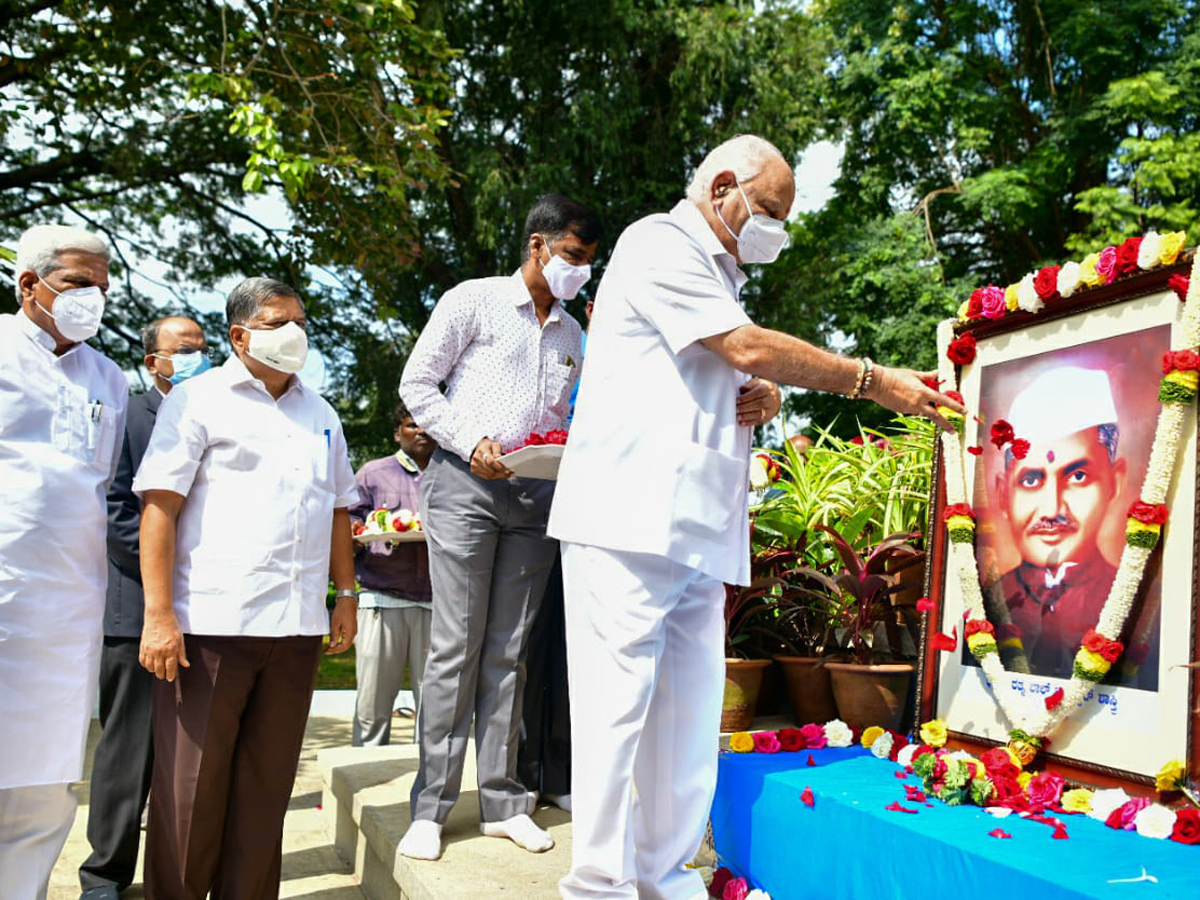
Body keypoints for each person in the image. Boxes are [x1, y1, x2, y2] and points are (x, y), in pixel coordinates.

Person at [547, 134, 963, 900]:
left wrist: (764, 397)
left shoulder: (719, 273)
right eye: (769, 210)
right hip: (628, 522)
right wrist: (869, 379)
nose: (776, 227)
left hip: (697, 526)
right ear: (723, 186)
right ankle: (598, 886)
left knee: (686, 720)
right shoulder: (657, 242)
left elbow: (722, 365)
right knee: (616, 718)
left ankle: (664, 875)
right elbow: (742, 344)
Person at [133, 277, 359, 899]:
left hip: (295, 632)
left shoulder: (320, 411)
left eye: (300, 321)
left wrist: (347, 593)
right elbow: (160, 509)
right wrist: (159, 616)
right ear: (239, 335)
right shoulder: (198, 400)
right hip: (210, 630)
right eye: (279, 322)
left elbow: (338, 507)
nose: (296, 333)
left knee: (265, 792)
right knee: (191, 794)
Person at [397, 193, 601, 861]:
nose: (580, 271)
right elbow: (418, 384)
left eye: (588, 262)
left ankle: (503, 800)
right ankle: (430, 806)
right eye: (573, 256)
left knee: (510, 650)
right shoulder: (473, 301)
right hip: (464, 485)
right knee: (456, 644)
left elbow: (567, 412)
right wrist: (471, 439)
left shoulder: (573, 333)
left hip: (535, 496)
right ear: (538, 245)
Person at [0, 224, 127, 900]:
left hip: (69, 613)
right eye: (79, 285)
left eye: (102, 289)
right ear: (30, 285)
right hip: (3, 598)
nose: (93, 300)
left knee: (44, 790)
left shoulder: (106, 376)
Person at [78, 315, 210, 900]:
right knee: (128, 750)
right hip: (137, 611)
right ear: (152, 360)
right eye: (183, 350)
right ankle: (105, 875)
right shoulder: (130, 415)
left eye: (202, 348)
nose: (195, 358)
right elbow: (115, 509)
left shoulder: (215, 410)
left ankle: (178, 872)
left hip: (208, 610)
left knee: (187, 755)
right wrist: (168, 572)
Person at [981, 365, 1149, 681]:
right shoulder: (987, 601)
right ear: (1004, 493)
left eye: (1078, 476)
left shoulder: (1143, 604)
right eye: (1031, 479)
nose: (1052, 508)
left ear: (1115, 482)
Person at [350, 401, 436, 746]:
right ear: (398, 432)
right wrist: (357, 533)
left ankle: (428, 783)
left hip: (437, 602)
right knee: (372, 703)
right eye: (413, 424)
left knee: (434, 708)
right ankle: (363, 776)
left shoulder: (453, 474)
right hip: (382, 596)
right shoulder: (374, 473)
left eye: (429, 424)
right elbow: (353, 519)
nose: (422, 431)